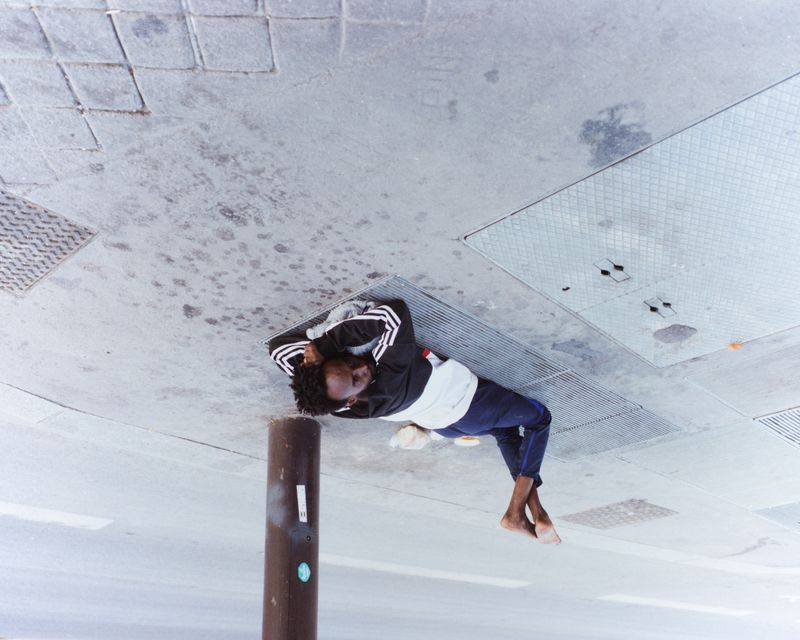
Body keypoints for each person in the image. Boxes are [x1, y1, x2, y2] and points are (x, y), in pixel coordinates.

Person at [268, 299, 561, 544]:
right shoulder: (393, 372)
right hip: (473, 404)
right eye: (357, 380)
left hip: (445, 426)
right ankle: (514, 509)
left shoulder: (335, 404)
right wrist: (326, 343)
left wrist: (315, 365)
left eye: (348, 363)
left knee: (508, 433)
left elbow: (278, 349)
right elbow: (393, 313)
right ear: (351, 399)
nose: (361, 367)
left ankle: (532, 508)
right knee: (538, 419)